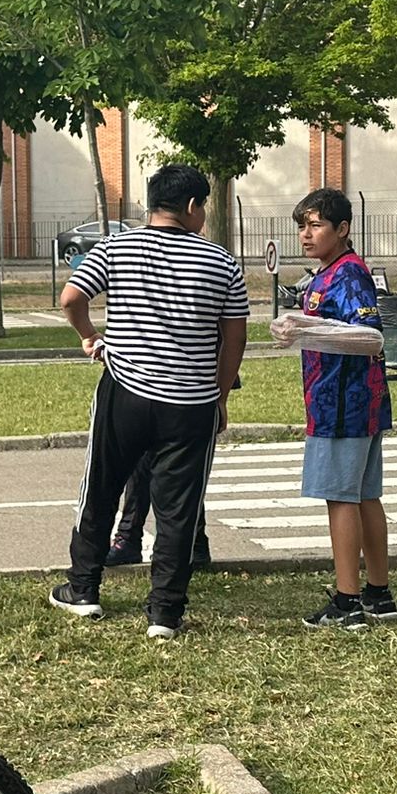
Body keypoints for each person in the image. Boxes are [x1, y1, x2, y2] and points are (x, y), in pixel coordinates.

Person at [53, 166, 249, 640]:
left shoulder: (115, 247)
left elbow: (70, 298)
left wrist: (90, 336)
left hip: (125, 389)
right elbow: (235, 336)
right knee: (178, 508)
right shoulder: (222, 262)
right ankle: (164, 612)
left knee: (100, 487)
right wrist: (220, 396)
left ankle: (83, 589)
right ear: (191, 207)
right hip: (191, 402)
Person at [272, 187, 397, 631]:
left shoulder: (347, 275)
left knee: (341, 497)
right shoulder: (327, 274)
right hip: (352, 402)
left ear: (342, 229)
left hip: (343, 403)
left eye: (316, 225)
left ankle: (347, 601)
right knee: (363, 495)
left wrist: (308, 328)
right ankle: (378, 594)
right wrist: (304, 329)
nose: (306, 234)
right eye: (302, 226)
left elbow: (370, 337)